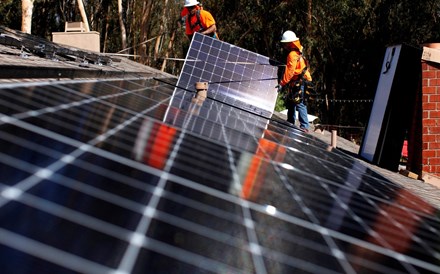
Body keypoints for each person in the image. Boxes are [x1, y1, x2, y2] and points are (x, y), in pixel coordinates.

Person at [277, 30, 312, 132]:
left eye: (285, 44)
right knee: (292, 101)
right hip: (299, 80)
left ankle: (305, 126)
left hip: (300, 81)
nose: (284, 46)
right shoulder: (298, 51)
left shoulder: (292, 55)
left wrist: (282, 83)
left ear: (290, 43)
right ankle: (290, 121)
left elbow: (290, 72)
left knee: (299, 102)